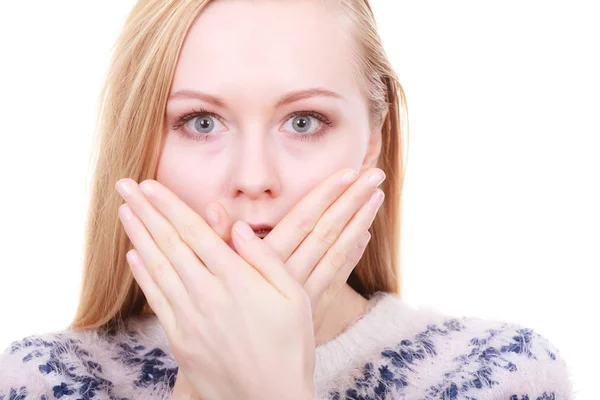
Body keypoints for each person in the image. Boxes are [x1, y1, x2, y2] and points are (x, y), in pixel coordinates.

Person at [0, 0, 573, 399]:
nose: (254, 178)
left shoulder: (498, 375)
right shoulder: (48, 380)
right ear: (140, 145)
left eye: (304, 121)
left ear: (374, 141)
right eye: (201, 122)